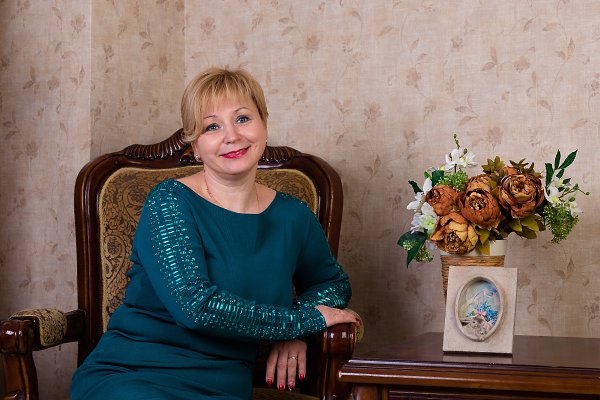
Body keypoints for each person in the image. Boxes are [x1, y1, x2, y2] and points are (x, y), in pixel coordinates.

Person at [70, 67, 360, 400]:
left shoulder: (293, 215)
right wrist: (301, 322)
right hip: (132, 375)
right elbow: (196, 307)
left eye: (243, 119)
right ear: (194, 145)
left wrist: (295, 335)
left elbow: (333, 284)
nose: (232, 136)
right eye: (212, 126)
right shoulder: (169, 202)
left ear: (264, 124)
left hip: (223, 386)